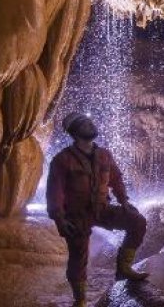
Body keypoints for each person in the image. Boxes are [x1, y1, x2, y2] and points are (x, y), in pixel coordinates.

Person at [47, 112, 149, 306]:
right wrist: (59, 218)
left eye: (90, 122)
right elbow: (54, 193)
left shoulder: (104, 155)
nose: (90, 124)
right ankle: (81, 300)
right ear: (75, 133)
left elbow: (116, 178)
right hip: (76, 215)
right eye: (85, 124)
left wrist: (124, 201)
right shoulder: (62, 160)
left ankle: (124, 268)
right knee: (79, 256)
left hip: (102, 209)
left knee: (137, 221)